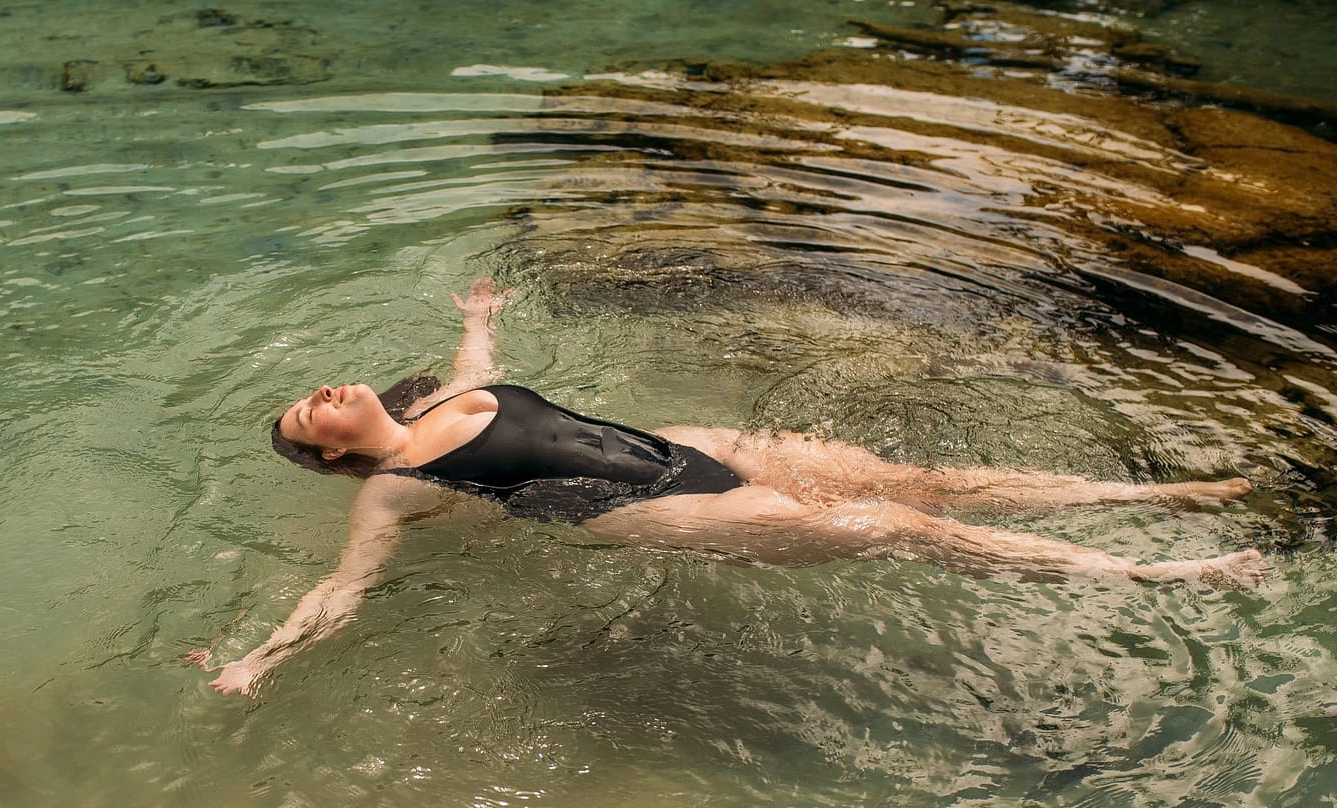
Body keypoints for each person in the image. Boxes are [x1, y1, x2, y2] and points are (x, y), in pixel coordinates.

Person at [192, 279, 1266, 696]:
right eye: (306, 417)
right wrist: (258, 661)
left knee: (920, 477)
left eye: (311, 392)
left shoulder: (436, 405)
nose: (318, 396)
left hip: (687, 443)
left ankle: (1154, 499)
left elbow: (478, 365)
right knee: (899, 524)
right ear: (333, 455)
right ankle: (1155, 571)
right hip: (658, 511)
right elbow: (344, 591)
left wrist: (480, 314)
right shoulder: (388, 491)